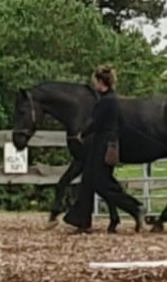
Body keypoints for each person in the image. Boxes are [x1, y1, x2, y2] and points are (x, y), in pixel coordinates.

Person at [62, 65, 145, 233]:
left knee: (101, 183)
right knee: (91, 182)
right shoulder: (114, 100)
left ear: (101, 82)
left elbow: (96, 123)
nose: (95, 85)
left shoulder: (106, 101)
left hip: (101, 146)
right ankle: (83, 221)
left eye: (96, 82)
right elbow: (120, 123)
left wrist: (82, 134)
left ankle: (135, 208)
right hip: (108, 145)